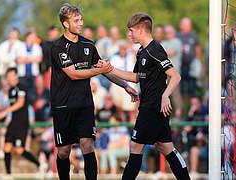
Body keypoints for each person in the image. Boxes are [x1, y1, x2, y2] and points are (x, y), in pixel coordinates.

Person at [50, 4, 138, 180]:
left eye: (81, 19)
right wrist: (99, 70)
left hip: (85, 104)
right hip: (63, 105)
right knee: (63, 151)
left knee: (87, 145)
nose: (81, 23)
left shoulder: (88, 45)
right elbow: (73, 74)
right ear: (66, 24)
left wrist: (125, 85)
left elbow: (105, 69)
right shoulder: (58, 47)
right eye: (76, 20)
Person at [106, 12, 191, 180]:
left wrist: (165, 95)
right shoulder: (142, 51)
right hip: (151, 106)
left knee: (135, 147)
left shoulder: (155, 49)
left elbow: (175, 76)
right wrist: (109, 69)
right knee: (166, 148)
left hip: (152, 107)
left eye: (131, 30)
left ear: (140, 30)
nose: (129, 34)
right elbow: (136, 76)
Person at [0, 67, 40, 176]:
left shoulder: (21, 87)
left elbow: (20, 103)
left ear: (16, 75)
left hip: (22, 122)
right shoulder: (10, 90)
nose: (9, 78)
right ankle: (8, 174)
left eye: (11, 75)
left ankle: (39, 164)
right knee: (6, 147)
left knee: (19, 150)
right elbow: (12, 105)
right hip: (13, 122)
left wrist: (5, 112)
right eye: (7, 76)